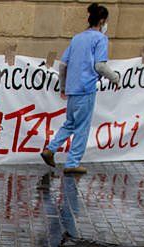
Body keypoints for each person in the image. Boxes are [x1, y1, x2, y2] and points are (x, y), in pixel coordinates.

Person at [41, 3, 121, 175]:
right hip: (86, 88)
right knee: (82, 127)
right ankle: (73, 162)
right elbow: (100, 66)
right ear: (102, 21)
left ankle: (50, 149)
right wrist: (115, 78)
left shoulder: (77, 38)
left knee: (70, 123)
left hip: (73, 88)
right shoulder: (100, 39)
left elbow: (63, 65)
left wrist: (63, 86)